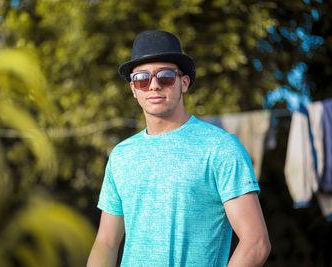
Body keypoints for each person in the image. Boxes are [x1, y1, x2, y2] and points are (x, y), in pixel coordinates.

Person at [87, 30, 271, 266]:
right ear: (133, 89)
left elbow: (256, 242)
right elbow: (106, 243)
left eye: (165, 76)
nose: (153, 85)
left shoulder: (220, 148)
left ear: (183, 83)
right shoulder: (121, 156)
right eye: (142, 79)